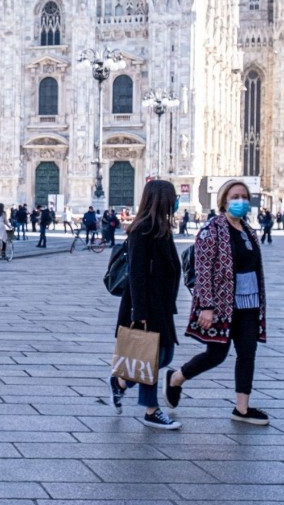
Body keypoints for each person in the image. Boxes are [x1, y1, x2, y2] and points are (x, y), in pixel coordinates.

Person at [164, 179, 270, 426]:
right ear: (224, 200)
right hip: (223, 305)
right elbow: (203, 270)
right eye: (235, 197)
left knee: (247, 354)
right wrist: (206, 306)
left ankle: (241, 409)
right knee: (217, 354)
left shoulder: (249, 231)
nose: (241, 201)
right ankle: (176, 378)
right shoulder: (212, 230)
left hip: (250, 304)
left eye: (244, 196)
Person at [107, 180, 182, 430]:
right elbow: (137, 274)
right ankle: (151, 410)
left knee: (164, 355)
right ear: (161, 199)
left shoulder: (161, 227)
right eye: (173, 197)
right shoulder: (143, 229)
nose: (176, 202)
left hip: (161, 305)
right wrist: (140, 312)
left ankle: (120, 383)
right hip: (146, 306)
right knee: (150, 357)